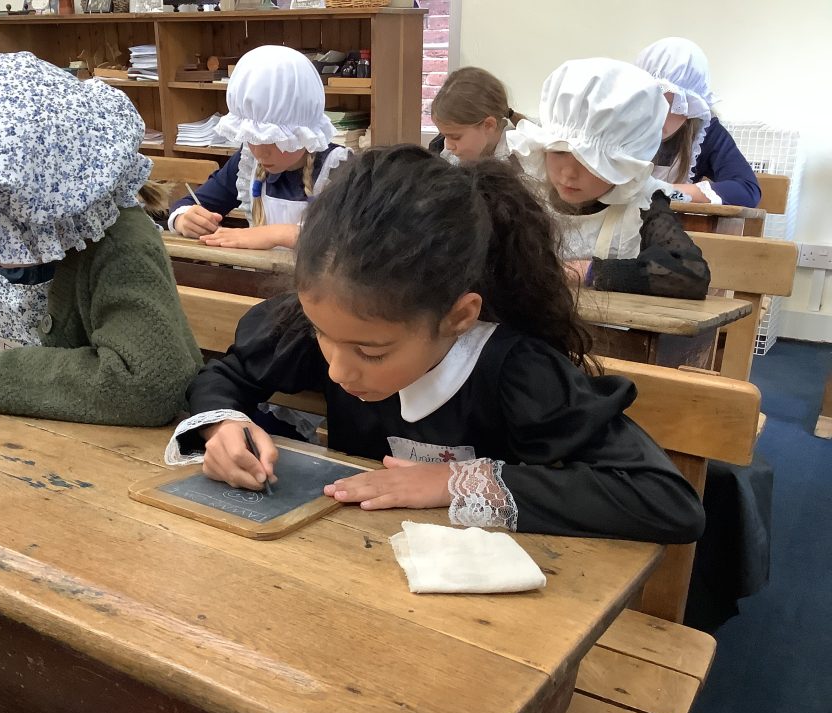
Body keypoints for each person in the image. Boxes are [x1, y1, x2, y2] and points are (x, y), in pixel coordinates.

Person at [164, 146, 705, 543]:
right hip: (348, 564)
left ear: (459, 318)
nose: (337, 371)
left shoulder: (515, 370)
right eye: (325, 338)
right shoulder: (337, 324)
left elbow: (665, 501)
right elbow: (226, 376)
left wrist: (456, 481)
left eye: (372, 354)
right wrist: (222, 425)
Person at [0, 52, 202, 426]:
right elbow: (1, 314)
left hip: (125, 454)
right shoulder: (22, 248)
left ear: (42, 207)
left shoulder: (119, 246)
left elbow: (146, 383)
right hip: (32, 438)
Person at [508, 58, 711, 299]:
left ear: (624, 162)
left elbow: (690, 274)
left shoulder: (642, 205)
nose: (569, 173)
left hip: (610, 334)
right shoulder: (528, 195)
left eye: (590, 162)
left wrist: (587, 271)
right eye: (559, 152)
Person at [167, 45, 350, 250]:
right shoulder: (247, 163)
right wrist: (184, 218)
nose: (260, 151)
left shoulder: (339, 168)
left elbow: (349, 238)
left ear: (302, 131)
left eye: (274, 139)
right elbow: (192, 202)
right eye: (252, 137)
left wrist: (279, 234)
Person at [636, 37, 760, 207]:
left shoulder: (705, 133)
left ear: (691, 107)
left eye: (672, 105)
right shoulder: (617, 123)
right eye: (649, 102)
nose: (657, 114)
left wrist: (664, 191)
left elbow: (746, 191)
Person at [428, 66, 520, 164]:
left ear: (488, 125)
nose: (448, 146)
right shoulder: (443, 152)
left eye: (455, 137)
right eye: (444, 135)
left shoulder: (519, 156)